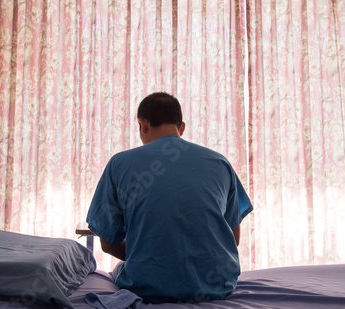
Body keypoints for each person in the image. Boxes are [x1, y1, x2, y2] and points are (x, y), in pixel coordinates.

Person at [86, 92, 253, 304]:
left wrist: (150, 256)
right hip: (217, 285)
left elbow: (108, 244)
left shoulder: (119, 164)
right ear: (181, 127)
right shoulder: (220, 162)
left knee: (120, 270)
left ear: (143, 125)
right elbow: (233, 238)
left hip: (147, 286)